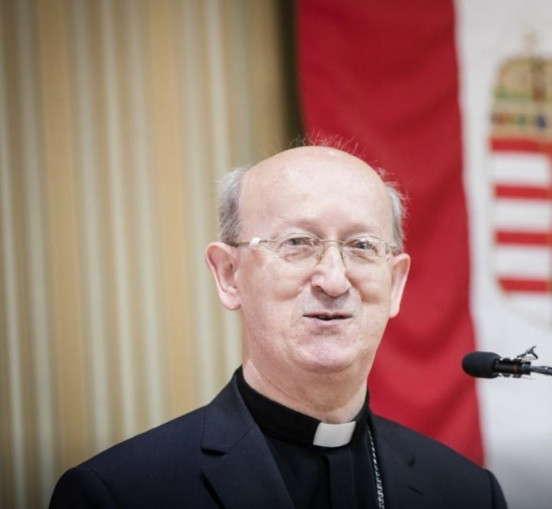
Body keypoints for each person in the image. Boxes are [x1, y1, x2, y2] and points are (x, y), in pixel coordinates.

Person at [49, 144, 507, 508]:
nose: (333, 279)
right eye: (298, 243)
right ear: (229, 275)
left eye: (362, 246)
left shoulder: (467, 493)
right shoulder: (120, 494)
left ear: (396, 284)